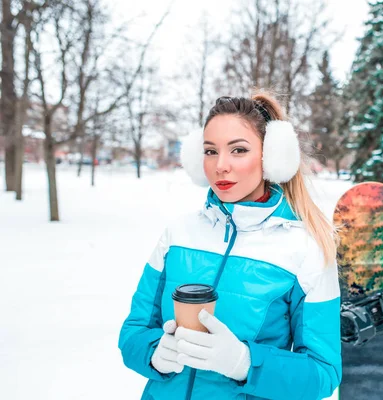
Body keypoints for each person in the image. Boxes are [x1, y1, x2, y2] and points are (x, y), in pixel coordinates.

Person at [118, 92, 342, 400]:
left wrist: (244, 363)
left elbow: (323, 374)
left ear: (271, 156)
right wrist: (154, 352)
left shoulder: (305, 249)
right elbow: (133, 332)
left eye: (238, 150)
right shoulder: (178, 233)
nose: (221, 165)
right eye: (211, 151)